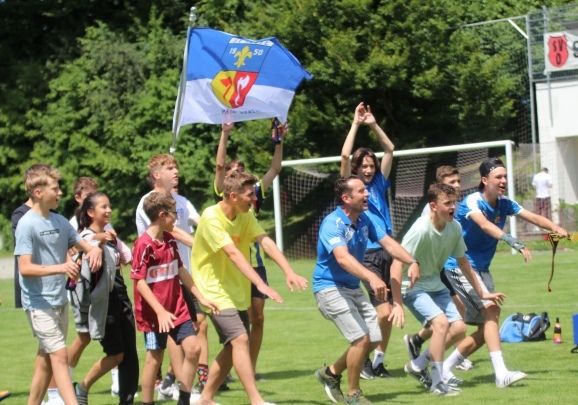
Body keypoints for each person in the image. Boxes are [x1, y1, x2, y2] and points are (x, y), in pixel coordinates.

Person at [443, 157, 568, 387]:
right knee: (492, 312)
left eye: (505, 176)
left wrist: (554, 227)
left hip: (481, 270)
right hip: (459, 267)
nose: (503, 181)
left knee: (486, 328)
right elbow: (484, 225)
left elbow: (533, 217)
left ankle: (437, 366)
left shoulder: (504, 203)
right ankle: (501, 374)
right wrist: (512, 240)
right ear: (484, 180)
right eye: (498, 177)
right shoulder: (472, 201)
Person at [192, 170, 307, 405]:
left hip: (236, 290)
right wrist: (260, 284)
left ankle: (205, 398)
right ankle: (256, 401)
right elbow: (233, 253)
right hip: (212, 290)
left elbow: (266, 242)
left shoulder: (245, 216)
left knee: (233, 346)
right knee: (240, 339)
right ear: (233, 196)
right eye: (250, 195)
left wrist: (289, 271)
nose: (254, 199)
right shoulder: (211, 217)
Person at [391, 183, 505, 396]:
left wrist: (482, 293)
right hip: (413, 287)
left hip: (436, 284)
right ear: (433, 206)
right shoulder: (420, 229)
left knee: (459, 329)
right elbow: (396, 264)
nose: (453, 207)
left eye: (454, 202)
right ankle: (437, 382)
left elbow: (463, 262)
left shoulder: (454, 228)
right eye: (447, 203)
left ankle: (418, 365)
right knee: (441, 324)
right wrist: (397, 303)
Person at [313, 175, 419, 405]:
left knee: (373, 339)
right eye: (361, 191)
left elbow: (388, 243)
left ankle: (330, 373)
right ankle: (354, 394)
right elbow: (342, 258)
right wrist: (371, 277)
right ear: (346, 198)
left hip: (352, 287)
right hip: (329, 288)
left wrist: (412, 261)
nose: (367, 193)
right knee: (361, 338)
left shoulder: (364, 220)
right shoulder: (332, 223)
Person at [14, 164, 102, 405]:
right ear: (38, 193)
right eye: (55, 188)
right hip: (39, 304)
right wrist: (62, 267)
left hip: (59, 301)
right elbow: (25, 268)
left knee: (46, 359)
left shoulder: (60, 221)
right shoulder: (26, 225)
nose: (60, 192)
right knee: (60, 356)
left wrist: (94, 251)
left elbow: (85, 246)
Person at [215, 120, 288, 380]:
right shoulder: (224, 193)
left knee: (257, 318)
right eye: (233, 171)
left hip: (256, 264)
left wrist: (279, 141)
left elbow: (275, 168)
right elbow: (219, 165)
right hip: (232, 265)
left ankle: (250, 368)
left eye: (241, 171)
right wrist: (225, 133)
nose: (237, 174)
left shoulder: (253, 193)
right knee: (238, 320)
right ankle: (229, 367)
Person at [131, 192, 217, 405]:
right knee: (154, 359)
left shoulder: (169, 239)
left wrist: (201, 297)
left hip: (177, 307)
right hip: (154, 314)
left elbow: (180, 269)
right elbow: (139, 281)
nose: (177, 219)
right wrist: (160, 311)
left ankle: (184, 400)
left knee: (193, 349)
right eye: (174, 214)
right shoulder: (144, 244)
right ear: (162, 215)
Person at [136, 154, 203, 399]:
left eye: (176, 167)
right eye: (169, 168)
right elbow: (140, 280)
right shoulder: (148, 208)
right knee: (156, 355)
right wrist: (203, 246)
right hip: (155, 300)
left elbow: (179, 262)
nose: (176, 171)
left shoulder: (176, 206)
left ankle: (179, 392)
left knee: (193, 341)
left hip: (177, 289)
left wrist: (201, 295)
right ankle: (163, 390)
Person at [340, 102, 395, 379]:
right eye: (363, 166)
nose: (369, 169)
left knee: (390, 313)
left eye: (371, 165)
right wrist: (355, 124)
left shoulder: (380, 183)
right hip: (368, 254)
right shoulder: (351, 185)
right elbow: (344, 154)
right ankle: (361, 359)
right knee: (383, 312)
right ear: (355, 168)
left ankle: (377, 361)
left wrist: (373, 124)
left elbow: (389, 149)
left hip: (388, 251)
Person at [72, 192, 139, 405]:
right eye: (103, 207)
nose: (109, 210)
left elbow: (129, 257)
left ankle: (127, 401)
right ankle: (82, 388)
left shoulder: (110, 235)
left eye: (109, 206)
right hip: (104, 303)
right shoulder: (85, 236)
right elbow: (82, 243)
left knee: (130, 354)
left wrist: (113, 239)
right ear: (90, 212)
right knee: (116, 354)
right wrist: (99, 240)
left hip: (122, 298)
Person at [405, 166, 473, 372]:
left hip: (437, 269)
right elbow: (406, 255)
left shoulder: (452, 210)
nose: (457, 185)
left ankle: (420, 347)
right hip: (428, 274)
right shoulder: (429, 216)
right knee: (446, 319)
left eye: (458, 181)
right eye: (452, 183)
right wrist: (413, 264)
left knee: (454, 319)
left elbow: (458, 252)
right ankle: (441, 367)